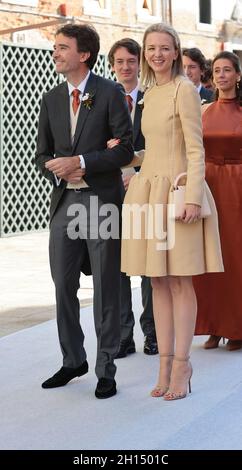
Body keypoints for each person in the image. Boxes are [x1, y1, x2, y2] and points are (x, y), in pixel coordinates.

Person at [121, 23, 223, 401]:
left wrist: (194, 197)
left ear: (176, 52)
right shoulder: (150, 93)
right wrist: (122, 156)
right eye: (151, 48)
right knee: (157, 282)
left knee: (180, 281)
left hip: (179, 194)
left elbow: (196, 150)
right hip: (149, 192)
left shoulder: (184, 90)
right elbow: (156, 148)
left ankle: (182, 364)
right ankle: (164, 364)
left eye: (165, 48)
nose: (157, 54)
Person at [35, 24, 133, 399]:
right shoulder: (50, 99)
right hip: (64, 203)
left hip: (100, 202)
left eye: (62, 47)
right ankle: (72, 359)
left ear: (84, 54)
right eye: (56, 47)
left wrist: (84, 162)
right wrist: (57, 166)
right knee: (63, 284)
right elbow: (42, 154)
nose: (56, 53)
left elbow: (125, 148)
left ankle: (106, 367)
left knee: (106, 286)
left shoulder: (109, 93)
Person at [108, 38, 158, 358]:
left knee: (148, 264)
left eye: (131, 61)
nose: (125, 67)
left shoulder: (153, 99)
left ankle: (152, 332)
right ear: (112, 64)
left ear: (139, 64)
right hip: (111, 191)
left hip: (146, 189)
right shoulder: (100, 99)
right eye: (119, 62)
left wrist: (137, 173)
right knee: (118, 266)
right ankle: (124, 335)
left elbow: (163, 143)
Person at [194, 51, 242, 351]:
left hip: (238, 186)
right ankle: (213, 325)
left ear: (238, 75)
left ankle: (236, 326)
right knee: (210, 256)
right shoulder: (203, 110)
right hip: (209, 185)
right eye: (217, 70)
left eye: (227, 70)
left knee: (236, 257)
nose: (222, 75)